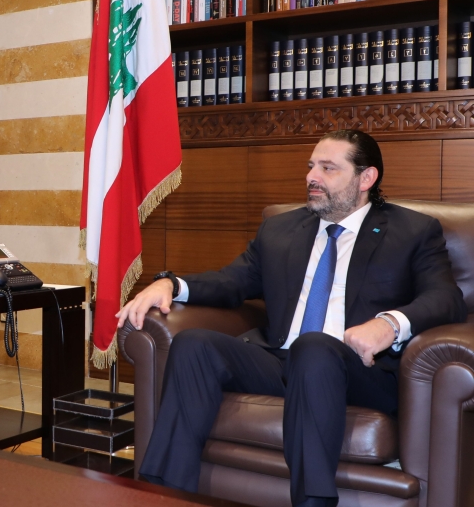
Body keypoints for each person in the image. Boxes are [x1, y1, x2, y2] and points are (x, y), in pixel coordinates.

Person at [116, 129, 466, 507]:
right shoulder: (281, 229)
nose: (311, 177)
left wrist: (390, 323)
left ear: (366, 178)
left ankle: (313, 501)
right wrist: (170, 284)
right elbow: (232, 280)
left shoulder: (412, 231)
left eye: (328, 168)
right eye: (311, 166)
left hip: (358, 371)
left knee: (313, 347)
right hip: (281, 361)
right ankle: (164, 493)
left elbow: (446, 298)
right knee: (193, 344)